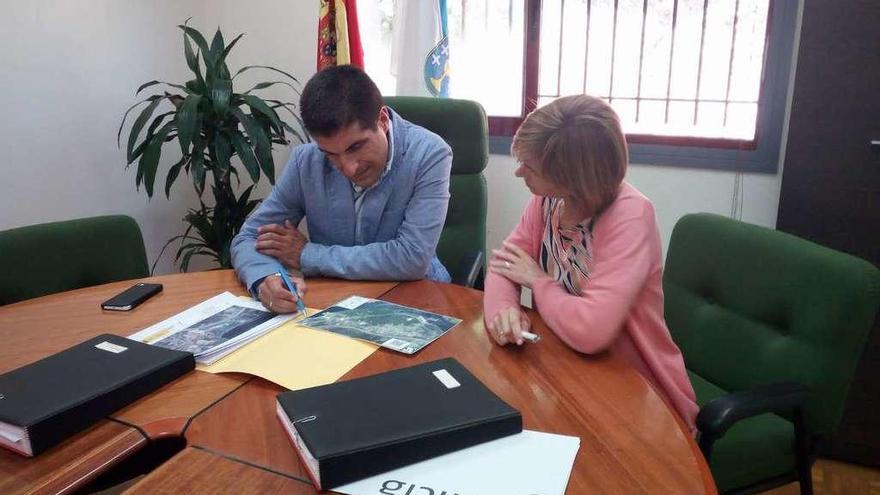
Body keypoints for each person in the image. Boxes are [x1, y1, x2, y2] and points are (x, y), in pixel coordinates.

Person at [483, 95, 698, 431]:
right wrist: (504, 312)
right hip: (566, 366)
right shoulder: (547, 201)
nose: (518, 172)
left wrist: (539, 281)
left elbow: (591, 331)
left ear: (572, 179)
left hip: (635, 389)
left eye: (531, 167)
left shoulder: (630, 216)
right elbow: (504, 267)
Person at [231, 65, 452, 314]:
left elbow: (412, 258)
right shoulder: (306, 161)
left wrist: (307, 255)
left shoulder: (430, 154)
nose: (347, 168)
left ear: (382, 121)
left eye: (356, 147)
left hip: (416, 301)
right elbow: (248, 238)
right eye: (331, 154)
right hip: (335, 305)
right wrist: (265, 279)